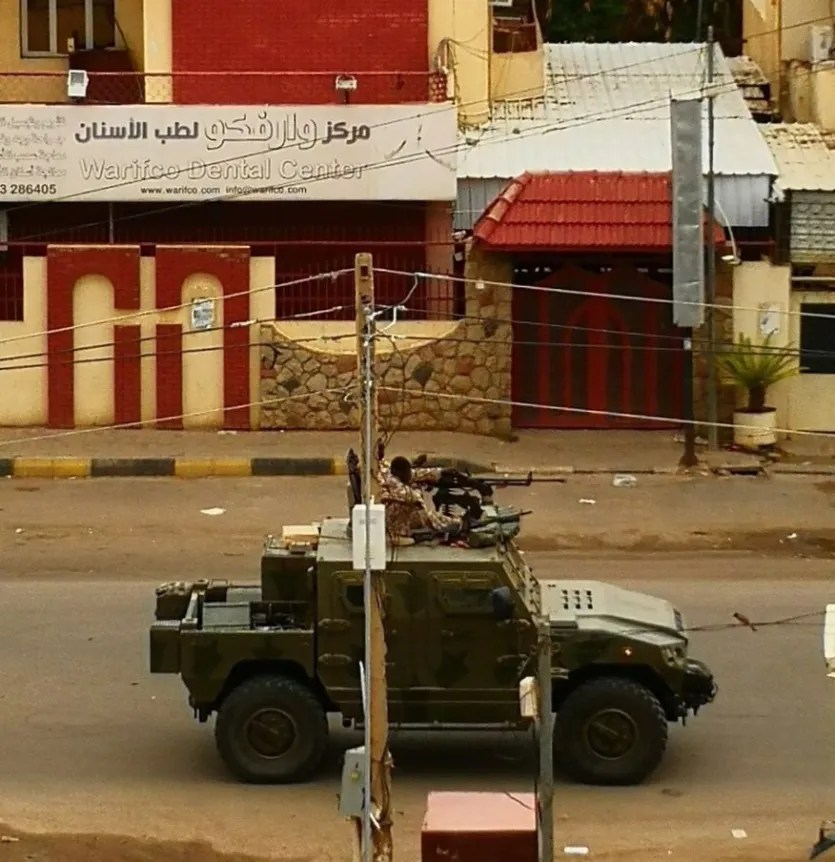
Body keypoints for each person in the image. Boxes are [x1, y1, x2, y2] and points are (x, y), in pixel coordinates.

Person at [376, 455, 464, 540]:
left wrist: (441, 471)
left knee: (421, 512)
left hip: (397, 517)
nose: (409, 475)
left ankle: (450, 523)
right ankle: (453, 525)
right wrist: (420, 487)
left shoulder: (393, 474)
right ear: (399, 473)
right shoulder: (393, 483)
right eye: (407, 472)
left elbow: (416, 474)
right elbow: (415, 498)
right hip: (393, 523)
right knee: (422, 514)